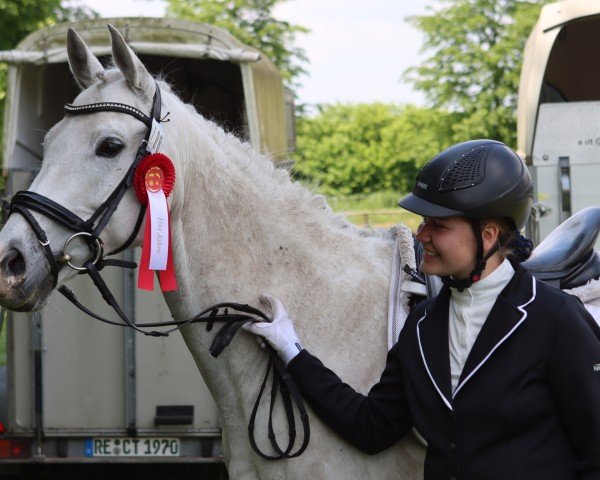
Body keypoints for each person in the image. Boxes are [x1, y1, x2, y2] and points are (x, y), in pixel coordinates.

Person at [244, 139, 600, 480]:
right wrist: (291, 349)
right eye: (424, 221)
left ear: (488, 235)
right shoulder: (422, 325)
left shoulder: (556, 319)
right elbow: (371, 427)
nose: (421, 234)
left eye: (438, 225)